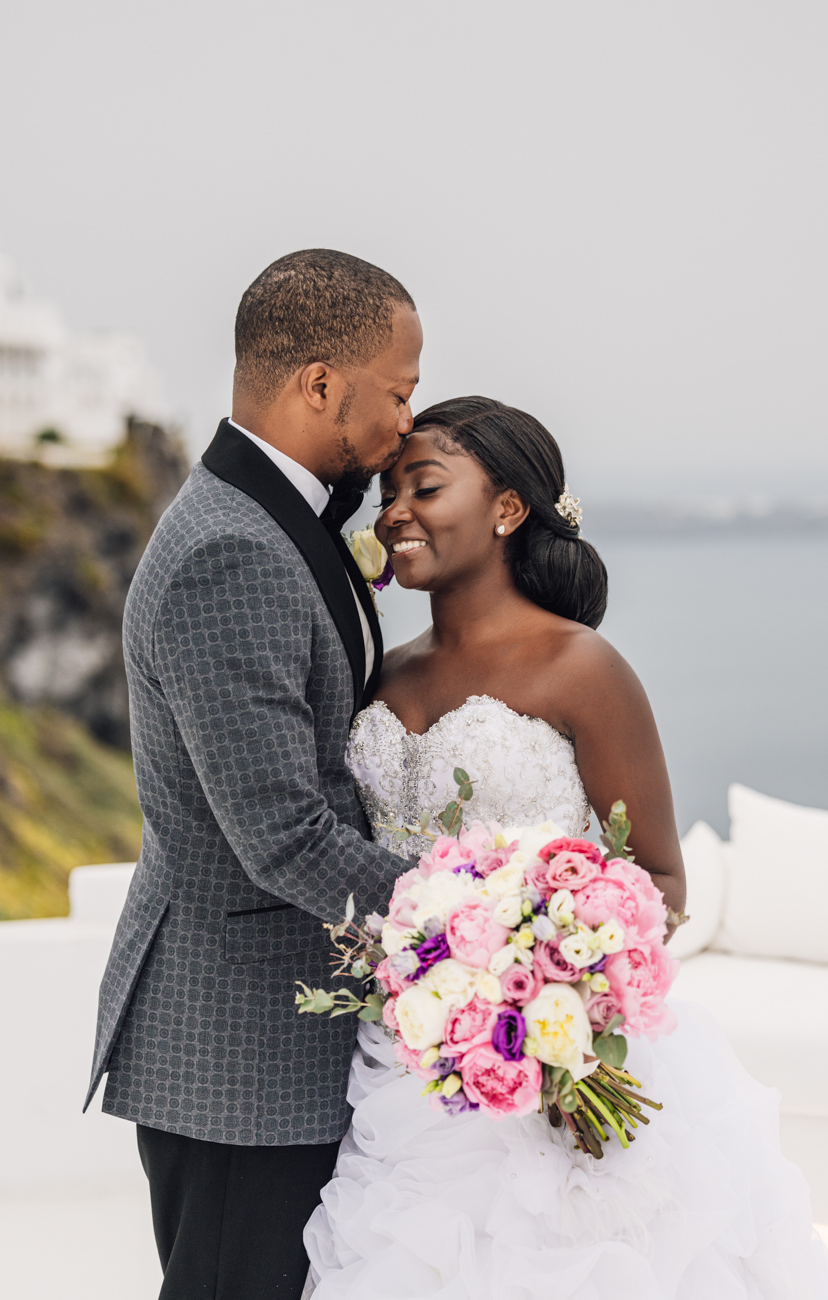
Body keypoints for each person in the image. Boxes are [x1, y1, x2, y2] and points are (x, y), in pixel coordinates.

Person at [304, 397, 828, 1297]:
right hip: (402, 1071)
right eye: (386, 493)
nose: (393, 512)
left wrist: (549, 972)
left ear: (506, 510)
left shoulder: (581, 668)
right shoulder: (381, 675)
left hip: (550, 1059)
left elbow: (660, 879)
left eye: (422, 486)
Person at [84, 249, 423, 1300]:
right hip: (236, 1052)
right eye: (399, 394)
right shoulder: (228, 552)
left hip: (289, 1036)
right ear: (319, 386)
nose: (408, 424)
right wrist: (473, 920)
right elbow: (283, 836)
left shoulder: (277, 520)